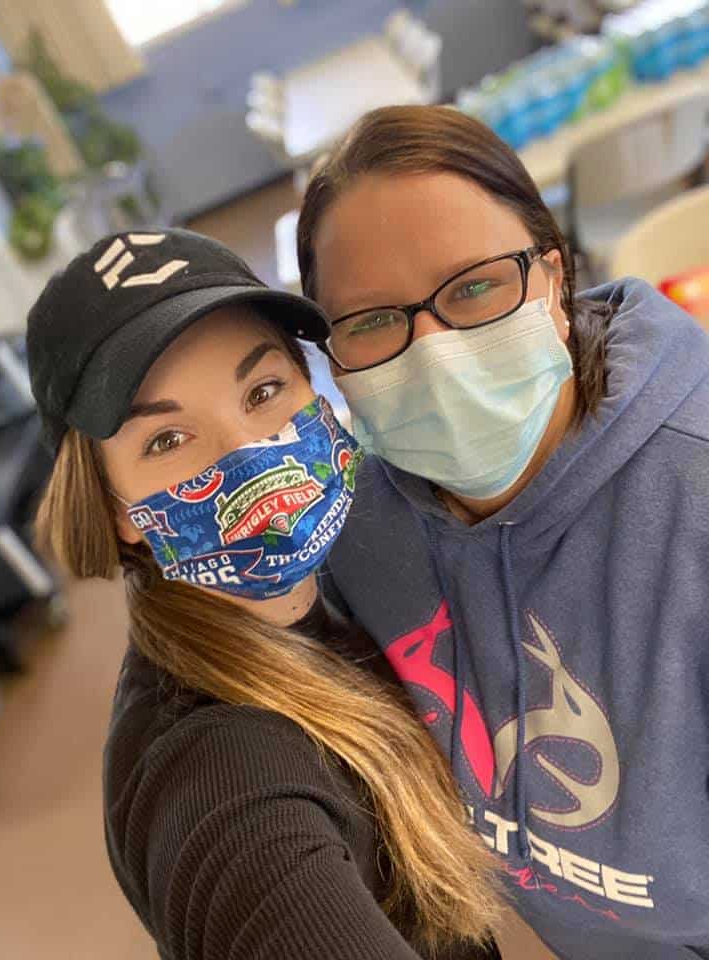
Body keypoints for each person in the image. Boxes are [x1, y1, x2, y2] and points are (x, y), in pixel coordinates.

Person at [296, 105, 709, 960]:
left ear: (553, 279)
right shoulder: (357, 536)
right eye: (371, 320)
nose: (435, 352)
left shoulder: (691, 498)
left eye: (475, 286)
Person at [25, 228, 503, 960]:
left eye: (264, 390)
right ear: (116, 509)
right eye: (166, 440)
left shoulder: (331, 588)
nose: (249, 452)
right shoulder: (218, 775)